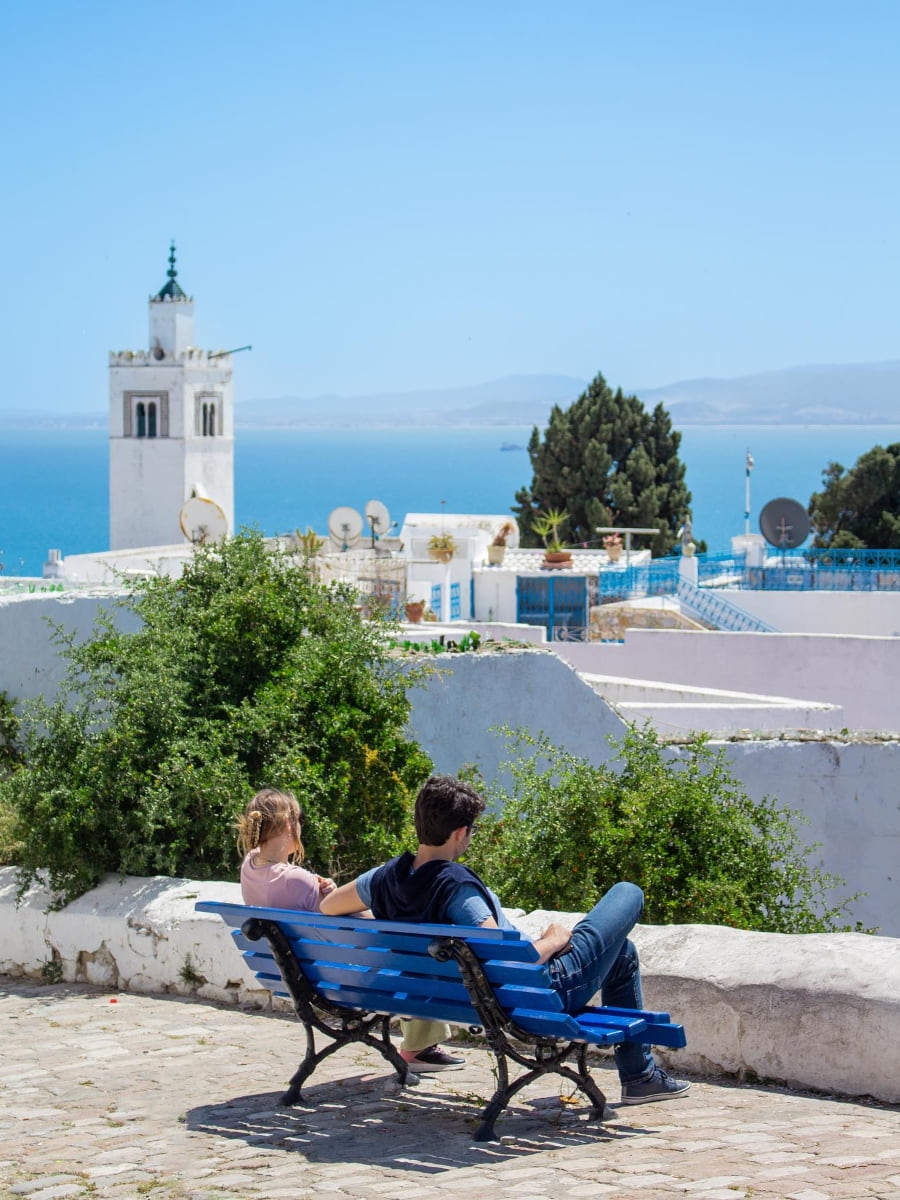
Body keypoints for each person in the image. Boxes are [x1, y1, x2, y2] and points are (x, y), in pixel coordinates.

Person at [321, 774, 690, 1105]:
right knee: (627, 892)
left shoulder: (385, 877)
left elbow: (329, 906)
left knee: (622, 953)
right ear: (460, 833)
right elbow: (508, 963)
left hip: (455, 997)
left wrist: (390, 924)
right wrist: (552, 939)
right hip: (536, 995)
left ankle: (641, 1076)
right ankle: (640, 1076)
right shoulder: (455, 889)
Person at [237, 787, 464, 1072]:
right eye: (300, 820)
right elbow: (361, 925)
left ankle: (420, 1045)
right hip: (342, 980)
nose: (300, 827)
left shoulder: (250, 866)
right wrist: (335, 894)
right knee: (411, 954)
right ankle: (419, 1049)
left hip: (297, 977)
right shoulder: (297, 879)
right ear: (286, 824)